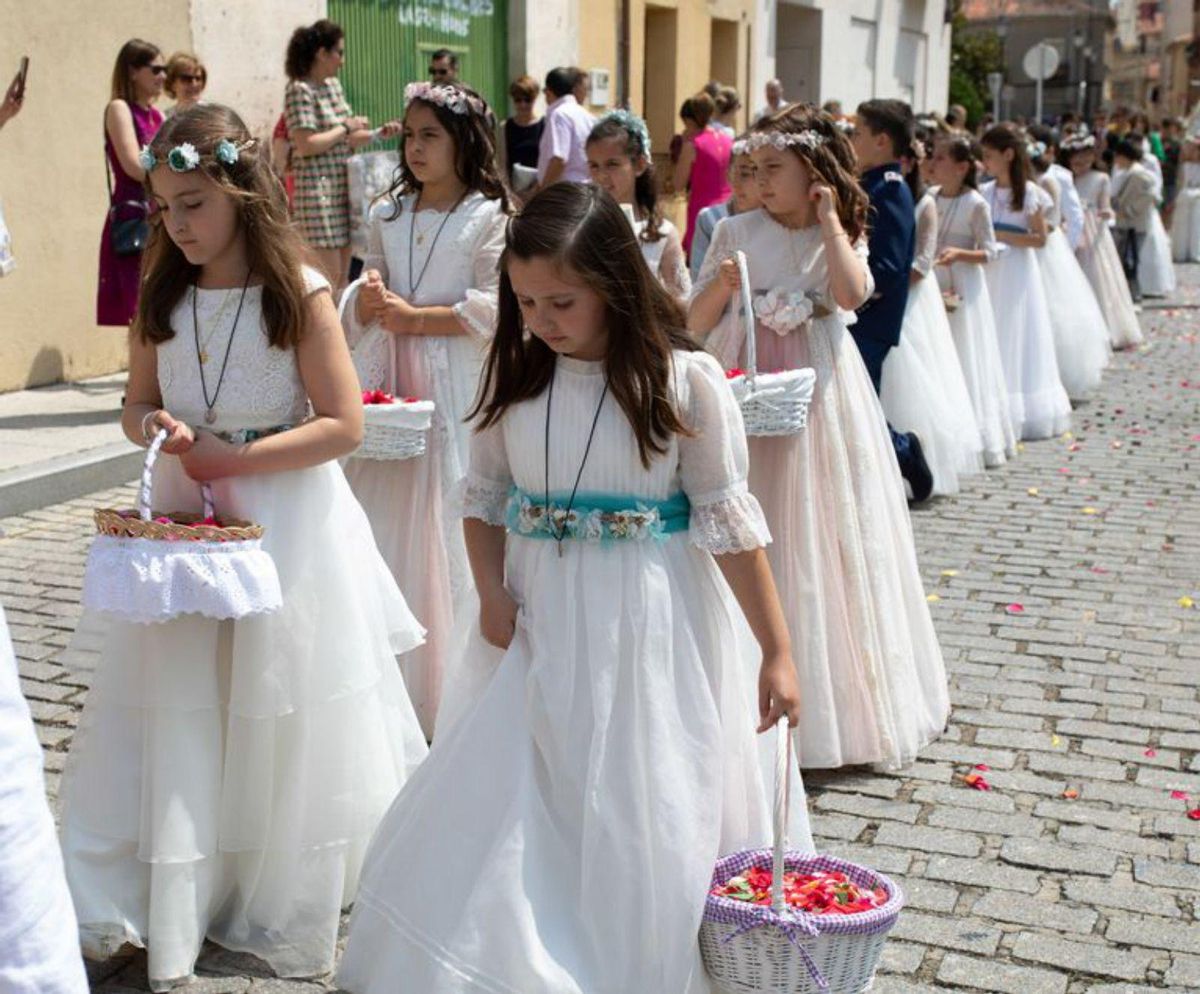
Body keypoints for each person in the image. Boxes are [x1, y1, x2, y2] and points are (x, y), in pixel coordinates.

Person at [337, 182, 811, 993]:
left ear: (616, 288)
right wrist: (489, 590)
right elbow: (482, 501)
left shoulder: (682, 383)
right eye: (526, 303)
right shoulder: (515, 386)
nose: (543, 320)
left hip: (648, 626)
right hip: (536, 618)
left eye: (563, 300)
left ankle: (635, 944)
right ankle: (526, 947)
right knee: (533, 785)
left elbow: (730, 524)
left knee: (641, 789)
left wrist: (777, 649)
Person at [58, 104, 429, 990]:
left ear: (238, 191)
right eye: (165, 209)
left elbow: (342, 425)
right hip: (190, 510)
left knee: (271, 695)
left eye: (193, 204)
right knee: (184, 690)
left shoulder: (294, 292)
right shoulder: (164, 291)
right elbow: (133, 403)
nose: (178, 225)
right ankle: (182, 873)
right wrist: (158, 425)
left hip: (282, 515)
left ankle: (266, 871)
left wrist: (240, 456)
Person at [689, 106, 949, 770]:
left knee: (821, 527)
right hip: (747, 383)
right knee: (753, 517)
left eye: (776, 169)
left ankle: (833, 709)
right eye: (756, 168)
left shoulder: (839, 228)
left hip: (819, 392)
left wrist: (832, 220)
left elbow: (855, 291)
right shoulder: (734, 229)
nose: (761, 180)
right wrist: (722, 290)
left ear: (814, 173)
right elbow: (691, 323)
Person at [339, 81, 509, 737]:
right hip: (391, 374)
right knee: (384, 505)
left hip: (454, 380)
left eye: (428, 135)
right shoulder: (387, 213)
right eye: (408, 135)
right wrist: (369, 299)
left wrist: (420, 317)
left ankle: (455, 682)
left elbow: (498, 307)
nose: (413, 147)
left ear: (464, 142)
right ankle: (385, 673)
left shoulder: (488, 216)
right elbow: (366, 281)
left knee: (446, 506)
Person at [879, 129, 984, 497]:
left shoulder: (924, 204)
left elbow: (922, 262)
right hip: (882, 297)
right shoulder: (882, 193)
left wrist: (882, 285)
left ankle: (911, 455)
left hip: (909, 299)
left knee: (910, 378)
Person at [849, 98, 935, 503]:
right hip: (860, 317)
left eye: (858, 133)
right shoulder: (869, 183)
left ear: (881, 141)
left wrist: (848, 299)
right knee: (854, 405)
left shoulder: (890, 190)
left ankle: (903, 453)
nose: (852, 139)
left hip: (870, 319)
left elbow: (885, 268)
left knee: (859, 406)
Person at [285, 19, 394, 291]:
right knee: (326, 276)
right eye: (339, 52)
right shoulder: (300, 89)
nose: (342, 61)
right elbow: (306, 143)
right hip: (318, 194)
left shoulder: (333, 86)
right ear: (322, 53)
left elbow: (348, 137)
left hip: (342, 189)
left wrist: (379, 133)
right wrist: (345, 126)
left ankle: (338, 330)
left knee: (344, 277)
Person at [929, 133, 1018, 466]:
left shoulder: (975, 203)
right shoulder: (931, 197)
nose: (933, 164)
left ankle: (970, 435)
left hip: (963, 281)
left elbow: (992, 250)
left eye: (941, 158)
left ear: (962, 167)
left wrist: (961, 254)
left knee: (963, 352)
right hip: (935, 280)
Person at [978, 123, 1071, 439]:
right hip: (991, 269)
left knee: (1015, 330)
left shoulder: (1030, 194)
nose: (985, 163)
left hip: (1017, 271)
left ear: (1008, 155)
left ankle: (1020, 407)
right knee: (991, 327)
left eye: (989, 156)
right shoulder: (985, 192)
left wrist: (1001, 235)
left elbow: (1040, 238)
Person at [1027, 135, 1110, 401]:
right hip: (1029, 245)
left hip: (1047, 247)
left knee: (1054, 307)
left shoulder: (1052, 179)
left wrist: (1068, 248)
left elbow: (1063, 217)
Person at [587, 110, 690, 300]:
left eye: (612, 164)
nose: (601, 176)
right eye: (594, 165)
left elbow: (681, 300)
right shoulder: (582, 225)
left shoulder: (660, 234)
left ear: (640, 165)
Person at [98, 38, 165, 327]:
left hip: (161, 211)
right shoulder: (119, 109)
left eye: (166, 69)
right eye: (156, 69)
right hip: (135, 214)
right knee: (139, 306)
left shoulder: (158, 114)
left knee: (161, 299)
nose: (164, 76)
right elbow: (133, 165)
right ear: (133, 71)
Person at [1063, 132, 1143, 349]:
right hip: (1070, 227)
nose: (1079, 163)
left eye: (1085, 158)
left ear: (1093, 157)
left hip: (1092, 229)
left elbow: (1105, 204)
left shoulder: (1101, 178)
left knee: (1097, 275)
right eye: (1075, 158)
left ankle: (1105, 327)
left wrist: (1106, 213)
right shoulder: (1066, 178)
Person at [689, 139, 762, 282]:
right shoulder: (710, 220)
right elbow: (698, 280)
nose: (736, 183)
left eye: (745, 174)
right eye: (733, 174)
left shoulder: (778, 220)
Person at [673, 92, 732, 256]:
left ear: (690, 121)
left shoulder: (693, 145)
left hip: (703, 212)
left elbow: (678, 183)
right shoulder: (728, 140)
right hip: (728, 209)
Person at [1125, 131, 1176, 297]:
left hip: (1146, 204)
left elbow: (1157, 181)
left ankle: (1150, 283)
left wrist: (1153, 199)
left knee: (1150, 242)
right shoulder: (1125, 160)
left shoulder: (1150, 160)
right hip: (1128, 206)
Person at [1112, 137, 1159, 302]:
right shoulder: (1128, 172)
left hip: (1134, 224)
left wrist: (1129, 211)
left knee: (1131, 260)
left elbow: (1150, 195)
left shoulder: (1139, 173)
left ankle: (1134, 294)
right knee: (1127, 258)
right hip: (1127, 223)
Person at [534, 66, 594, 189]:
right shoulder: (587, 116)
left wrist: (542, 191)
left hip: (565, 191)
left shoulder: (559, 114)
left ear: (548, 92)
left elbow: (559, 159)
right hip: (585, 188)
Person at [1029, 124, 1084, 250]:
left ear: (1050, 151)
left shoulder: (1059, 176)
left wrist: (1068, 250)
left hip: (1049, 245)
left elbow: (1075, 217)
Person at [500, 73, 543, 191]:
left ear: (535, 99)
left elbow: (548, 163)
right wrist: (510, 193)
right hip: (514, 191)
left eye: (528, 100)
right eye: (518, 100)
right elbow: (503, 164)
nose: (523, 105)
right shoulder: (506, 127)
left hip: (539, 189)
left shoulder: (544, 125)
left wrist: (534, 191)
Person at [1170, 134, 1200, 262]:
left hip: (1198, 197)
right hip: (1184, 195)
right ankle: (1180, 252)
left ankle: (1195, 252)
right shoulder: (1184, 166)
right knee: (1182, 224)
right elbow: (1180, 183)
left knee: (1196, 224)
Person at [163, 51, 206, 117]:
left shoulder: (213, 115)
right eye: (186, 79)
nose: (194, 84)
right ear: (172, 84)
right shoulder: (164, 119)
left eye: (198, 78)